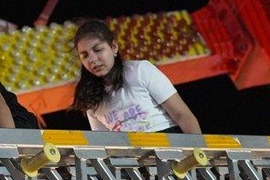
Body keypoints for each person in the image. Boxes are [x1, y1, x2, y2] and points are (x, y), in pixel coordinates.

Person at [70, 19, 201, 133]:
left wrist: (198, 155)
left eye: (98, 50)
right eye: (85, 55)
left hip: (168, 143)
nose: (92, 59)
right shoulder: (89, 98)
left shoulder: (140, 70)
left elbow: (182, 115)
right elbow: (102, 143)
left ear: (114, 47)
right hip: (129, 157)